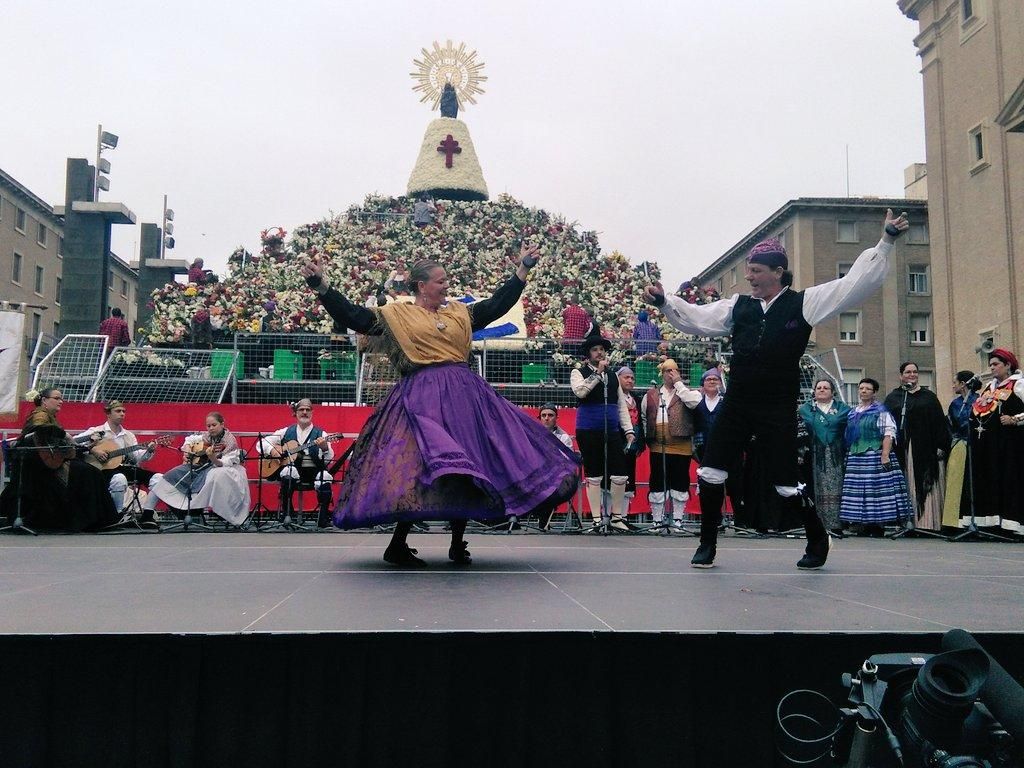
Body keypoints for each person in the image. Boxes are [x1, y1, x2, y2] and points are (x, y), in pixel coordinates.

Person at [643, 209, 909, 569]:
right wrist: (664, 302)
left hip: (777, 406)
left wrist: (886, 240)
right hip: (737, 403)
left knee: (786, 482)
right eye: (749, 270)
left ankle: (817, 539)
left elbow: (852, 285)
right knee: (711, 470)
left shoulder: (804, 303)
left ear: (777, 272)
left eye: (755, 271)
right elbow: (696, 319)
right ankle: (707, 543)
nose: (749, 277)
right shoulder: (739, 307)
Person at [301, 246, 579, 566]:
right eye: (440, 281)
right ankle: (398, 544)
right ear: (422, 286)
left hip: (465, 398)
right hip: (420, 399)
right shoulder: (397, 315)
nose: (447, 286)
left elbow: (496, 305)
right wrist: (321, 286)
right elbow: (353, 315)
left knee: (469, 464)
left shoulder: (459, 313)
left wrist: (523, 271)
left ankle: (458, 542)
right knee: (417, 468)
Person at [1, 389, 122, 531]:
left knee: (90, 471)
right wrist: (65, 435)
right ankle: (92, 521)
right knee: (89, 473)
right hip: (39, 466)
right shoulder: (40, 414)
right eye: (56, 398)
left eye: (61, 399)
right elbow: (40, 428)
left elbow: (59, 445)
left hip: (51, 462)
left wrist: (84, 447)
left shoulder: (50, 416)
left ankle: (97, 520)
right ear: (44, 400)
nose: (61, 401)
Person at [571, 328, 636, 532]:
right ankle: (597, 519)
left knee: (620, 473)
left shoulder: (613, 376)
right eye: (595, 350)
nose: (599, 353)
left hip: (612, 429)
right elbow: (580, 392)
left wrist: (628, 429)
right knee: (594, 473)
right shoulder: (578, 372)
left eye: (601, 349)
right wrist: (597, 374)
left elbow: (620, 404)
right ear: (588, 354)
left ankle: (617, 517)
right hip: (589, 429)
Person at [143, 412, 250, 527]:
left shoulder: (230, 441)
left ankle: (190, 511)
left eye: (214, 425)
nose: (211, 428)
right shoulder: (207, 436)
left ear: (222, 424)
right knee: (171, 474)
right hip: (202, 466)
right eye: (208, 426)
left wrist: (212, 457)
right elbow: (191, 439)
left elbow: (222, 463)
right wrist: (189, 450)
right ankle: (147, 514)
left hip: (218, 467)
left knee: (202, 480)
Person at [839, 378, 914, 533]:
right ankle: (862, 524)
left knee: (875, 490)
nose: (863, 391)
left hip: (874, 454)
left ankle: (877, 525)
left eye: (867, 388)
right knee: (858, 490)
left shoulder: (880, 411)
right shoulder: (853, 412)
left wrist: (885, 455)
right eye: (861, 388)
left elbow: (889, 433)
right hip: (856, 456)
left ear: (874, 392)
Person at [883, 361, 950, 532]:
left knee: (926, 484)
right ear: (901, 376)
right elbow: (886, 423)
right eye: (907, 372)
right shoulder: (894, 398)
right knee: (905, 483)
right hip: (902, 449)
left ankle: (927, 524)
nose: (911, 375)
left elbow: (939, 422)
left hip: (926, 448)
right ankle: (906, 522)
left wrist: (941, 445)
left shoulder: (929, 397)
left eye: (914, 372)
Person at [74, 401, 160, 528]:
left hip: (123, 468)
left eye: (124, 411)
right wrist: (94, 450)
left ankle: (147, 515)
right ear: (108, 414)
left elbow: (136, 457)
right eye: (118, 411)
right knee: (119, 478)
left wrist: (149, 450)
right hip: (101, 470)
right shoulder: (97, 431)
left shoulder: (128, 435)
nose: (122, 414)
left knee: (159, 479)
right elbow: (75, 442)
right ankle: (116, 516)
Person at [640, 359, 701, 532]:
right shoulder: (651, 394)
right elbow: (645, 417)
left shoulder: (688, 392)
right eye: (667, 371)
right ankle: (657, 520)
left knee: (680, 481)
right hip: (658, 445)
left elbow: (695, 404)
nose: (670, 374)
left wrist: (679, 384)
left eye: (674, 371)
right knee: (657, 481)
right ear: (662, 373)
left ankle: (678, 520)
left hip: (681, 445)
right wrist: (649, 436)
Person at [969, 349, 1024, 536]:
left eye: (996, 364)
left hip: (1011, 443)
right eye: (990, 365)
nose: (992, 368)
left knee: (1010, 480)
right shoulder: (988, 387)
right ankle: (992, 522)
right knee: (992, 479)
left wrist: (1015, 419)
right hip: (989, 444)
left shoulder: (1018, 384)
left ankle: (1012, 525)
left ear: (1008, 365)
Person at [259, 399, 336, 529]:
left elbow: (328, 459)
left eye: (307, 410)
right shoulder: (286, 431)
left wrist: (324, 448)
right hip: (294, 471)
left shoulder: (321, 434)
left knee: (325, 475)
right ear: (296, 412)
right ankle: (288, 514)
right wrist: (272, 450)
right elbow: (261, 442)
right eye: (301, 410)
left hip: (313, 472)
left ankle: (323, 518)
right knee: (288, 471)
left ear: (312, 412)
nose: (304, 412)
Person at [797, 379, 851, 536]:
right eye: (818, 387)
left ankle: (836, 524)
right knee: (814, 486)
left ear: (832, 391)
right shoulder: (805, 409)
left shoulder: (843, 409)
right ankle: (817, 523)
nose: (821, 390)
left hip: (836, 454)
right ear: (813, 391)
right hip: (813, 454)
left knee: (837, 486)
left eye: (825, 388)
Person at [692, 367, 743, 522]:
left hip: (728, 448)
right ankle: (714, 520)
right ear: (703, 384)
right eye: (709, 379)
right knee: (710, 485)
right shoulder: (697, 402)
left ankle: (740, 520)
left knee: (735, 485)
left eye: (716, 379)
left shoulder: (727, 402)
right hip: (705, 449)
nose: (712, 381)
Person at [941, 370, 981, 528]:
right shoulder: (955, 403)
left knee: (972, 483)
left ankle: (975, 520)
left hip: (975, 445)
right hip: (958, 445)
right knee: (955, 483)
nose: (953, 386)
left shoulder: (980, 400)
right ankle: (954, 521)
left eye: (955, 382)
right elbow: (950, 425)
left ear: (963, 384)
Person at [617, 366, 645, 523]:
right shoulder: (613, 398)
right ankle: (612, 516)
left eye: (632, 378)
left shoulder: (637, 399)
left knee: (629, 479)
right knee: (615, 479)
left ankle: (624, 517)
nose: (630, 380)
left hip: (632, 446)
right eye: (626, 377)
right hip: (618, 444)